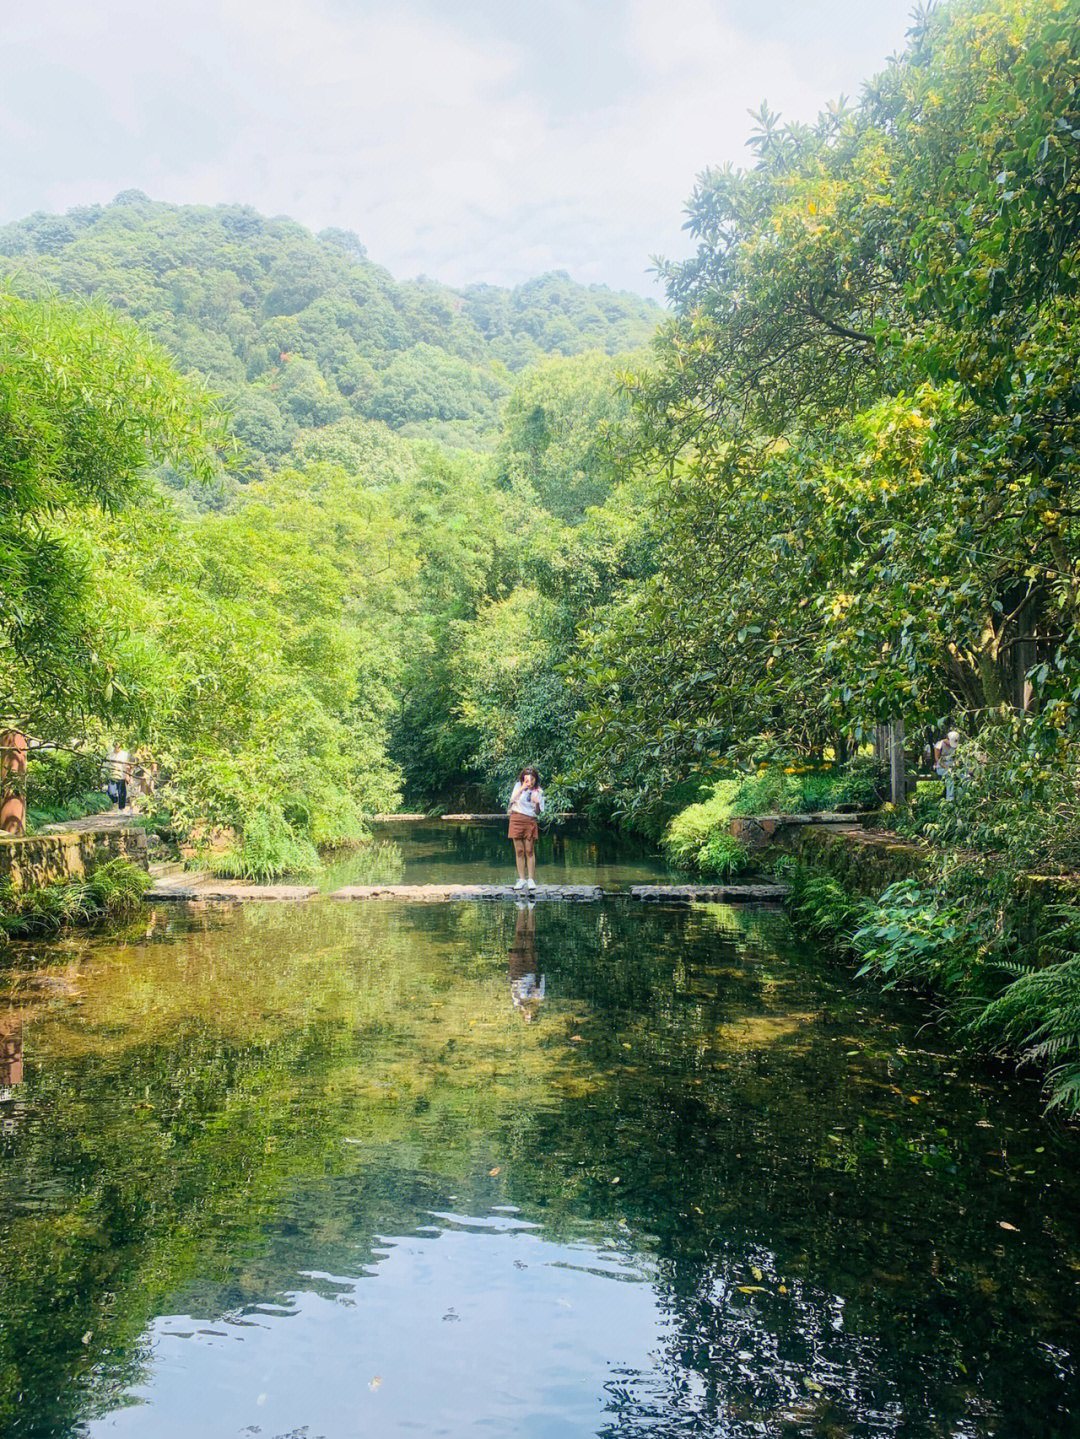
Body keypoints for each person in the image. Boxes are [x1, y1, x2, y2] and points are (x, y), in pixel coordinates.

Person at [507, 766, 545, 892]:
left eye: (532, 779)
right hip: (516, 818)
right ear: (523, 779)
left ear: (535, 779)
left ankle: (531, 879)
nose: (530, 781)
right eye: (527, 779)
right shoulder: (518, 786)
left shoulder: (539, 791)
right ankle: (521, 879)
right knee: (519, 851)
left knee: (529, 850)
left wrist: (537, 802)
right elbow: (511, 801)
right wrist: (522, 789)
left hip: (530, 820)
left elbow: (538, 812)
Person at [508, 901, 545, 1022]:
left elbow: (512, 988)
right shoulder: (538, 1000)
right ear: (534, 1014)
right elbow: (540, 984)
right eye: (530, 1015)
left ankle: (521, 909)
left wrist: (510, 977)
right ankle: (530, 909)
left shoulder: (518, 1003)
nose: (528, 1013)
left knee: (518, 938)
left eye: (526, 1016)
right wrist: (541, 975)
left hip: (517, 973)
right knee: (530, 937)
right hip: (530, 970)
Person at [934, 727, 962, 801]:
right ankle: (950, 799)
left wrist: (957, 766)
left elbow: (957, 758)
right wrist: (946, 767)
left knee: (964, 776)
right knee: (950, 777)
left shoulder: (956, 746)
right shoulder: (939, 744)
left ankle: (962, 799)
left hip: (953, 767)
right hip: (941, 767)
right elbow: (937, 759)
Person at [105, 745, 131, 812]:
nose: (117, 748)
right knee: (111, 792)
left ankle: (121, 808)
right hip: (112, 776)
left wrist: (127, 775)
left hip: (121, 775)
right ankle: (114, 804)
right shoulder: (109, 754)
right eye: (116, 746)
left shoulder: (125, 754)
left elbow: (128, 766)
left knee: (122, 793)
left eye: (119, 746)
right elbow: (106, 765)